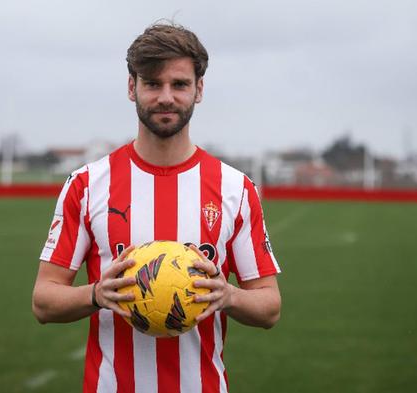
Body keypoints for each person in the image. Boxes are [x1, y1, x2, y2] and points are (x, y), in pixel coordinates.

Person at [32, 22, 281, 393]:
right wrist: (97, 293)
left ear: (199, 90)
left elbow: (269, 307)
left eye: (179, 84)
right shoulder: (86, 185)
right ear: (132, 87)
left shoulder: (236, 189)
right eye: (152, 83)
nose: (166, 97)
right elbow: (44, 301)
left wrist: (227, 295)